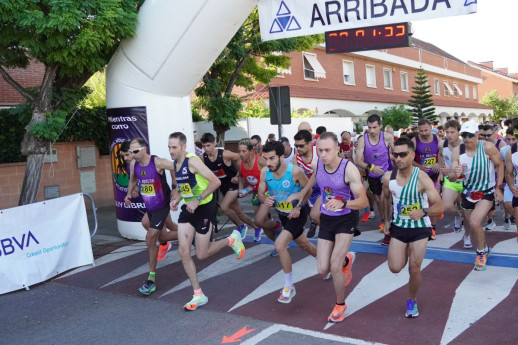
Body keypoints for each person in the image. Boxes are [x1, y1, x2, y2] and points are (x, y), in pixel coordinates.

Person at [288, 132, 368, 322]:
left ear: (338, 149)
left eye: (327, 150)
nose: (323, 154)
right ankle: (346, 261)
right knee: (323, 269)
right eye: (320, 150)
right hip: (327, 217)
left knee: (334, 265)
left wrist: (344, 203)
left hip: (346, 217)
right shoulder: (319, 165)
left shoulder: (348, 169)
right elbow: (313, 181)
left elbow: (363, 201)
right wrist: (301, 195)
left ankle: (340, 305)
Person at [169, 132, 245, 310]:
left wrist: (198, 199)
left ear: (183, 147)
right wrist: (177, 200)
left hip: (204, 207)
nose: (171, 151)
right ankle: (198, 294)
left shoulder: (193, 161)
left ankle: (231, 240)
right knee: (183, 251)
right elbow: (185, 187)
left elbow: (215, 182)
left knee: (202, 254)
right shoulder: (175, 164)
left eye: (174, 147)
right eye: (169, 147)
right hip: (188, 209)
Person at [382, 137, 443, 318]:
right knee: (395, 267)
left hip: (419, 228)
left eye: (402, 154)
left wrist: (423, 211)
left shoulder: (422, 178)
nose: (398, 158)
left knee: (414, 268)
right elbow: (384, 198)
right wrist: (386, 219)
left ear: (411, 155)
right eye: (395, 154)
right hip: (399, 227)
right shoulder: (388, 177)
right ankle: (405, 251)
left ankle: (412, 299)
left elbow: (439, 208)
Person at [254, 141, 317, 304]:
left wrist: (300, 206)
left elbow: (308, 190)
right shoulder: (264, 172)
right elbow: (260, 193)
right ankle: (327, 263)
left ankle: (289, 286)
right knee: (304, 245)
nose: (268, 163)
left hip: (297, 214)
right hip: (282, 214)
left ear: (282, 157)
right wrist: (265, 199)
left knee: (280, 245)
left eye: (272, 158)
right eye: (266, 158)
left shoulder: (295, 171)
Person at [124, 138, 179, 295]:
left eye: (135, 152)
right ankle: (189, 234)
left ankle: (151, 279)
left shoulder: (157, 162)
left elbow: (175, 167)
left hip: (162, 205)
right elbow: (133, 180)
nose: (132, 155)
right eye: (131, 152)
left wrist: (175, 187)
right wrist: (129, 194)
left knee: (150, 237)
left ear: (143, 149)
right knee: (161, 233)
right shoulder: (134, 164)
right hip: (150, 207)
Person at [449, 121, 503, 271]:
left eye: (470, 136)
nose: (467, 139)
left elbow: (500, 164)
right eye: (464, 135)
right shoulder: (457, 151)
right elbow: (452, 177)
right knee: (473, 227)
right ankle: (485, 247)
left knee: (474, 222)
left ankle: (480, 254)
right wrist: (455, 173)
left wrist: (498, 187)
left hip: (486, 192)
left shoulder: (487, 147)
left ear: (477, 135)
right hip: (468, 193)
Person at [200, 132, 256, 239]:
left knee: (224, 208)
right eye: (203, 146)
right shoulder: (203, 158)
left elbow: (240, 158)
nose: (206, 149)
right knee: (239, 213)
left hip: (233, 184)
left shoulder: (224, 154)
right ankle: (256, 227)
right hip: (223, 187)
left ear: (214, 143)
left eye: (208, 146)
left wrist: (238, 175)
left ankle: (241, 226)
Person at [355, 114, 394, 241]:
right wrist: (371, 167)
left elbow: (397, 153)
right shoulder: (362, 140)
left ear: (380, 126)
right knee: (378, 200)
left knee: (384, 197)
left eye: (374, 127)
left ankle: (388, 223)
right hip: (372, 174)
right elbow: (358, 161)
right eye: (369, 127)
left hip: (386, 172)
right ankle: (385, 219)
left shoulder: (387, 137)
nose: (372, 130)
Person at [412, 118, 440, 240]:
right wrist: (419, 166)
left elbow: (443, 156)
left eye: (426, 130)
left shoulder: (437, 140)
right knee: (420, 202)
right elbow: (409, 159)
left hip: (434, 176)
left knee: (433, 201)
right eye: (421, 131)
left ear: (431, 128)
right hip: (420, 177)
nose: (423, 133)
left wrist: (438, 164)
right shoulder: (414, 141)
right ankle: (422, 227)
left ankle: (432, 228)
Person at [438, 120, 465, 239]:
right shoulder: (442, 144)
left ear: (458, 132)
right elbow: (440, 156)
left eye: (452, 132)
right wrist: (440, 171)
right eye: (447, 132)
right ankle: (458, 215)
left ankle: (468, 236)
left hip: (465, 180)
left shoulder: (465, 144)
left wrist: (453, 169)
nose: (449, 135)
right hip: (450, 180)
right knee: (446, 207)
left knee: (464, 206)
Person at [237, 138, 267, 241]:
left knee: (260, 219)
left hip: (267, 192)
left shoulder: (260, 161)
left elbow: (273, 172)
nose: (241, 154)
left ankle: (276, 230)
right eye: (239, 151)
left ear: (251, 151)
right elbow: (240, 176)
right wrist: (241, 189)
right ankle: (261, 228)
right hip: (254, 191)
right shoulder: (240, 163)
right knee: (259, 218)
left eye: (244, 151)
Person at [293, 129, 321, 238]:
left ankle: (330, 234)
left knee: (315, 215)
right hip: (309, 190)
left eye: (301, 146)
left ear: (310, 143)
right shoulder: (296, 158)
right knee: (315, 216)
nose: (298, 149)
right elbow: (295, 178)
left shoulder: (318, 152)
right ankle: (329, 232)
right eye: (296, 146)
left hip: (324, 188)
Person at [479, 124, 505, 231]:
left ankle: (508, 217)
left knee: (505, 202)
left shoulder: (501, 144)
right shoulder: (482, 145)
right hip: (486, 177)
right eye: (483, 135)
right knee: (488, 199)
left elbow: (503, 163)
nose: (485, 138)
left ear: (495, 133)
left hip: (499, 175)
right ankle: (490, 220)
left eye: (488, 135)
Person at [500, 128, 517, 230]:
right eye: (508, 139)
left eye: (513, 139)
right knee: (507, 204)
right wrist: (510, 186)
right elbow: (505, 169)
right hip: (511, 181)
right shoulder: (505, 151)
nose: (511, 142)